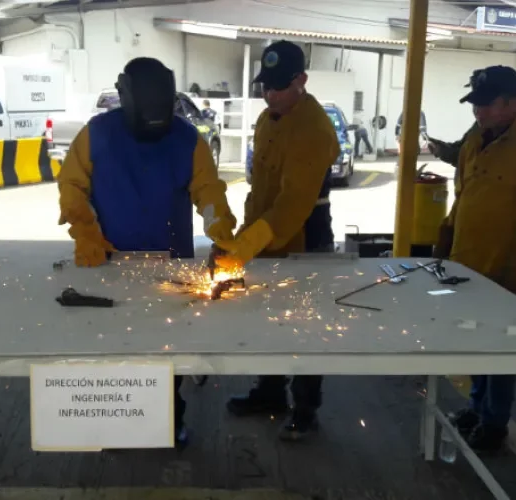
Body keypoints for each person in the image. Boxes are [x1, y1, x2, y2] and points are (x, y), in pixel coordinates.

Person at [57, 57, 237, 448]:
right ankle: (117, 420)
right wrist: (86, 232)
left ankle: (169, 420)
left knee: (165, 348)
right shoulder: (97, 135)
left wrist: (218, 224)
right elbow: (72, 187)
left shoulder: (188, 138)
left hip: (170, 265)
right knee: (113, 347)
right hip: (110, 262)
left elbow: (207, 191)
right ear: (124, 96)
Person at [436, 65, 516, 451]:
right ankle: (477, 407)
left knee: (504, 349)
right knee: (477, 343)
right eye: (475, 104)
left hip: (505, 270)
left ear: (512, 103)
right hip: (468, 263)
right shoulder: (477, 139)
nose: (478, 112)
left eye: (487, 105)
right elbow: (464, 194)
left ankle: (495, 423)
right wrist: (445, 235)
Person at [215, 40, 339, 441]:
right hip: (265, 230)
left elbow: (290, 206)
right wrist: (240, 238)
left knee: (304, 324)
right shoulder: (268, 119)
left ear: (301, 80)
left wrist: (242, 250)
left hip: (307, 234)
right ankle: (270, 393)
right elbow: (260, 189)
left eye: (279, 86)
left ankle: (306, 409)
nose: (270, 94)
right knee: (268, 317)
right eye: (265, 86)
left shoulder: (314, 129)